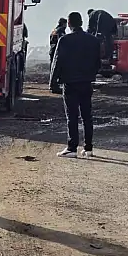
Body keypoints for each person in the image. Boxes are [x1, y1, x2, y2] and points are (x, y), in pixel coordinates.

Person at [50, 11, 101, 159]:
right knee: (87, 116)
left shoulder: (65, 40)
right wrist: (90, 75)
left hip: (70, 83)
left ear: (69, 23)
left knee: (72, 116)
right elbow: (98, 62)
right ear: (81, 22)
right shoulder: (93, 41)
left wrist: (53, 82)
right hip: (86, 82)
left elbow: (57, 62)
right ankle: (88, 148)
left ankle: (72, 148)